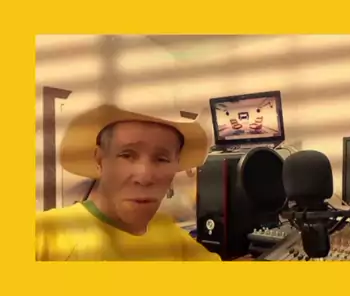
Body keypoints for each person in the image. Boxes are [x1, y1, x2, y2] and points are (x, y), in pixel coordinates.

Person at [36, 100, 221, 261]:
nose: (145, 177)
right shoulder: (44, 235)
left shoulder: (173, 237)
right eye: (126, 155)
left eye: (162, 159)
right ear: (100, 160)